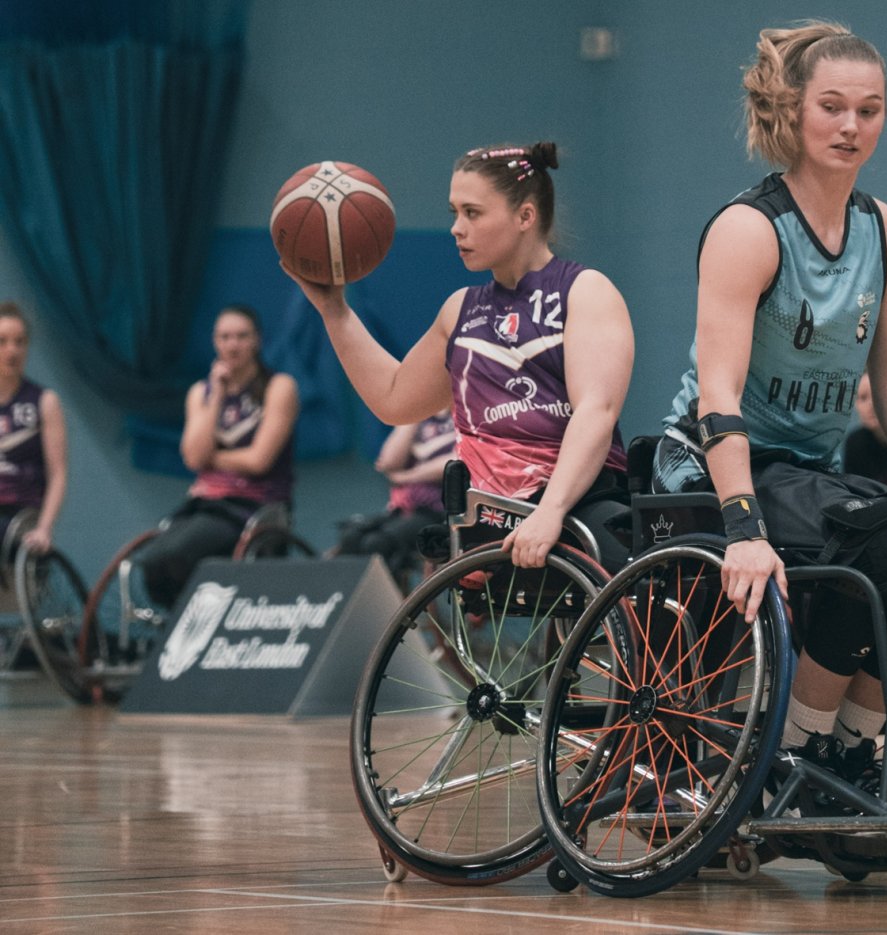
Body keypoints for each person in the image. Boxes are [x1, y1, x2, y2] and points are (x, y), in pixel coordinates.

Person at [652, 22, 887, 780]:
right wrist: (743, 524)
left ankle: (853, 750)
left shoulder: (880, 227)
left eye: (870, 109)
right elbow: (717, 391)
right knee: (879, 546)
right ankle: (792, 746)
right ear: (793, 111)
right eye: (833, 107)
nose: (852, 126)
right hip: (714, 468)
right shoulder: (750, 229)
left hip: (810, 476)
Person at [283, 141, 633, 572]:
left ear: (526, 216)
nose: (456, 228)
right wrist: (333, 310)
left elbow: (596, 411)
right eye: (454, 213)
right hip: (487, 513)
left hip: (577, 501)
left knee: (642, 583)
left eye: (472, 212)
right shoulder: (461, 309)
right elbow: (394, 400)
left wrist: (551, 510)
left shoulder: (585, 290)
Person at [137, 304, 299, 607]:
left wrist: (212, 459)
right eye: (224, 337)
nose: (232, 344)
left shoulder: (279, 386)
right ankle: (177, 627)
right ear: (215, 342)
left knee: (174, 555)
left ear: (257, 341)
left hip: (253, 505)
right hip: (206, 503)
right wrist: (218, 396)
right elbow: (193, 458)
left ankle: (200, 622)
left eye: (241, 336)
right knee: (151, 560)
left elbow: (258, 461)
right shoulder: (201, 392)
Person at [334, 409, 455, 580]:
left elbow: (454, 463)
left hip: (441, 509)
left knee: (377, 543)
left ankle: (393, 604)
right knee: (351, 536)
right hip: (404, 507)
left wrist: (407, 476)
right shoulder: (423, 415)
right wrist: (413, 416)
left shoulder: (465, 413)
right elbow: (389, 462)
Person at [0, 301, 67, 556]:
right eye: (3, 341)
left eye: (19, 342)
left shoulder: (44, 401)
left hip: (21, 515)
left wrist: (44, 528)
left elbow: (58, 474)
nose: (12, 350)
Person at [842, 372, 887, 488]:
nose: (871, 405)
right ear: (856, 404)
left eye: (877, 396)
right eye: (863, 398)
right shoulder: (855, 442)